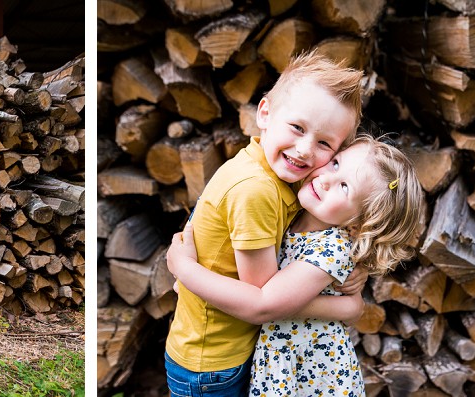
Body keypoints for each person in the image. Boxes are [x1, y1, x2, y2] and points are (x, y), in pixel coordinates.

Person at [164, 50, 366, 396]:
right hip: (214, 362)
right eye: (297, 127)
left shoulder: (278, 174)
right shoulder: (256, 189)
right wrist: (346, 305)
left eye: (324, 144)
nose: (304, 150)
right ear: (265, 112)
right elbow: (265, 297)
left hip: (229, 350)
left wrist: (345, 271)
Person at [168, 136, 426, 396]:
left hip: (305, 374)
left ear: (360, 225)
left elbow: (266, 302)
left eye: (345, 187)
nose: (325, 179)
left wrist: (186, 268)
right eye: (335, 164)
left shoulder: (331, 251)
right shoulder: (295, 208)